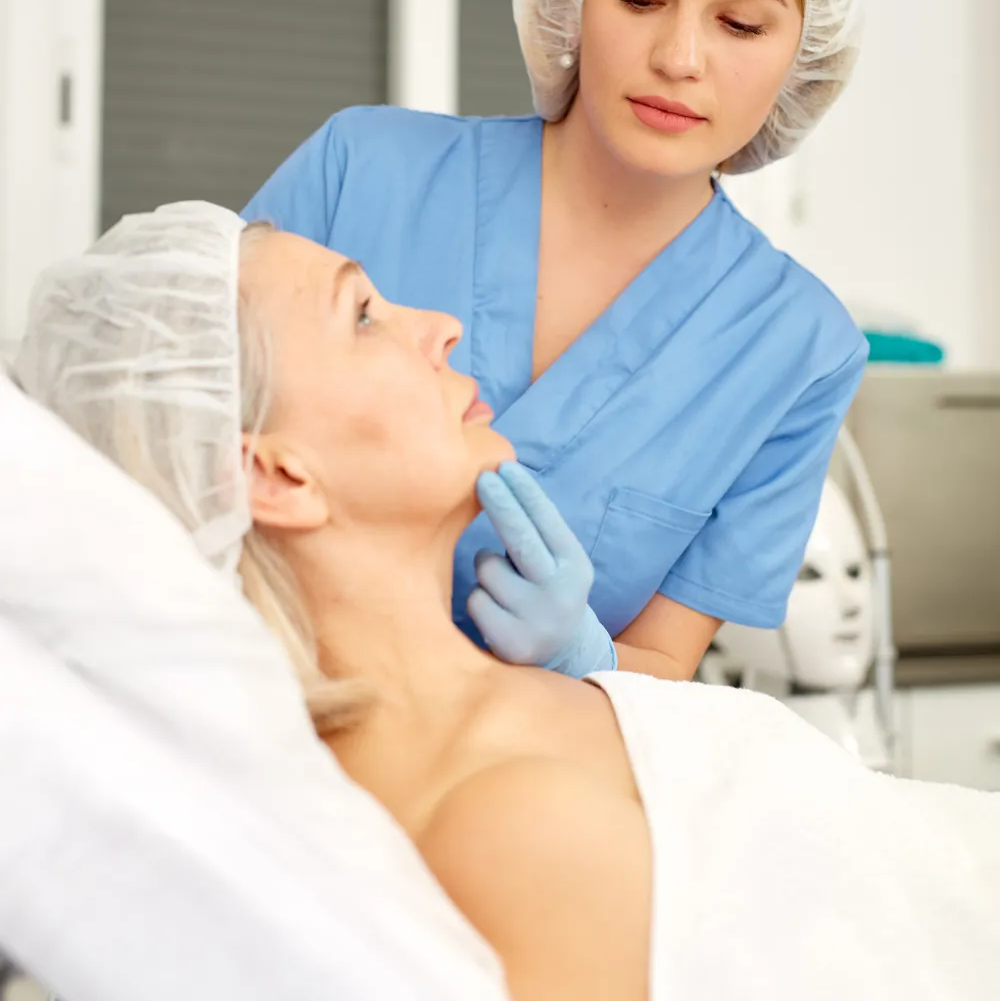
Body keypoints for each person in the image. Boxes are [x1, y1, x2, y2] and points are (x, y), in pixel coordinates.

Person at [15, 202, 1000, 1001]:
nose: (437, 325)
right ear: (277, 475)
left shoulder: (518, 717)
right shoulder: (503, 826)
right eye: (361, 315)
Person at [241, 0, 869, 682]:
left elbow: (663, 662)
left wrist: (586, 656)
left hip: (514, 772)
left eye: (741, 24)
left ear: (802, 52)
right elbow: (171, 451)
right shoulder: (362, 170)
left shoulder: (799, 348)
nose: (680, 56)